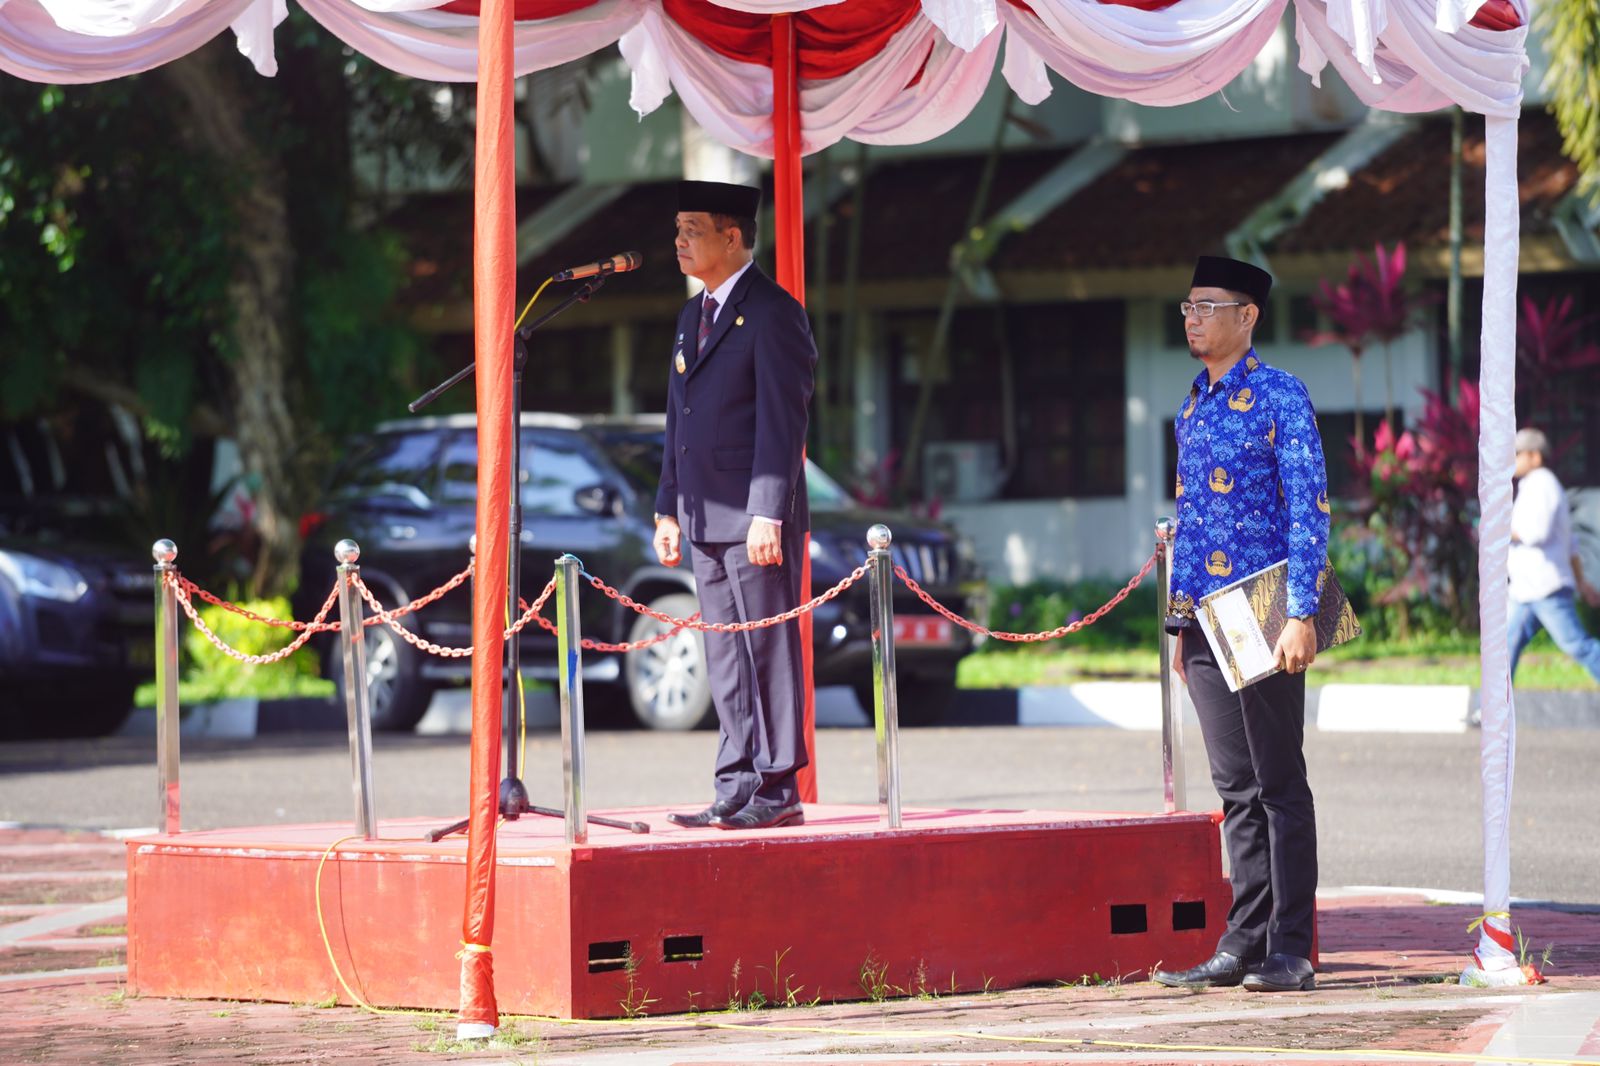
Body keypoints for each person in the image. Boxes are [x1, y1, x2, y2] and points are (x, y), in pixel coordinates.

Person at [1152, 256, 1330, 994]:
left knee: (1278, 781)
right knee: (1235, 788)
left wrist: (1302, 613)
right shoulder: (1193, 403)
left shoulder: (1282, 396)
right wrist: (1178, 623)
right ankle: (1242, 941)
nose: (1192, 319)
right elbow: (1190, 518)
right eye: (1186, 308)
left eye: (1206, 307)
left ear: (1247, 316)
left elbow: (1310, 505)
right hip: (1201, 622)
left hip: (1262, 607)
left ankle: (1291, 946)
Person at [654, 180, 817, 832]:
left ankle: (779, 788)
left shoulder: (773, 312)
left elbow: (784, 423)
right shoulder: (691, 317)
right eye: (677, 231)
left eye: (692, 229)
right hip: (702, 514)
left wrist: (767, 512)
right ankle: (736, 780)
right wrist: (668, 507)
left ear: (732, 236)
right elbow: (678, 422)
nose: (680, 243)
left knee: (766, 648)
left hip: (753, 521)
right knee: (723, 652)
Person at [1509, 427, 1600, 682]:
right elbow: (1570, 544)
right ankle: (1491, 711)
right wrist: (1582, 582)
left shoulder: (1543, 484)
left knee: (1579, 646)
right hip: (1527, 590)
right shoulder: (1533, 486)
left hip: (1545, 589)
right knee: (1503, 649)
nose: (1511, 460)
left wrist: (1500, 531)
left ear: (1535, 457)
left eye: (1517, 454)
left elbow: (1536, 532)